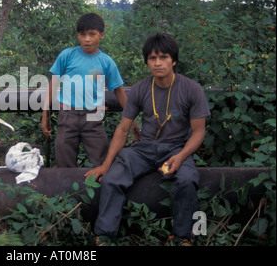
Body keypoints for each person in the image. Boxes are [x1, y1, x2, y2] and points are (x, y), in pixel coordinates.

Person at [85, 32, 210, 246]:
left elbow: (198, 132)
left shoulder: (191, 89)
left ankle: (185, 237)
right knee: (112, 178)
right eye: (152, 58)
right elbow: (123, 130)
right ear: (147, 62)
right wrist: (106, 165)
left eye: (163, 57)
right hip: (144, 149)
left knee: (187, 180)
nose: (158, 63)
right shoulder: (141, 89)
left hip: (176, 149)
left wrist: (180, 157)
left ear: (174, 60)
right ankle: (104, 236)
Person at [41, 12, 140, 168]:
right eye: (83, 34)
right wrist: (45, 113)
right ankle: (67, 191)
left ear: (101, 35)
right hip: (67, 116)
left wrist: (132, 120)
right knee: (63, 161)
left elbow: (119, 92)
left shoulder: (106, 62)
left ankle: (102, 190)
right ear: (78, 35)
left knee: (102, 162)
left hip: (94, 118)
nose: (87, 39)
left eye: (92, 34)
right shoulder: (67, 56)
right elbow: (53, 84)